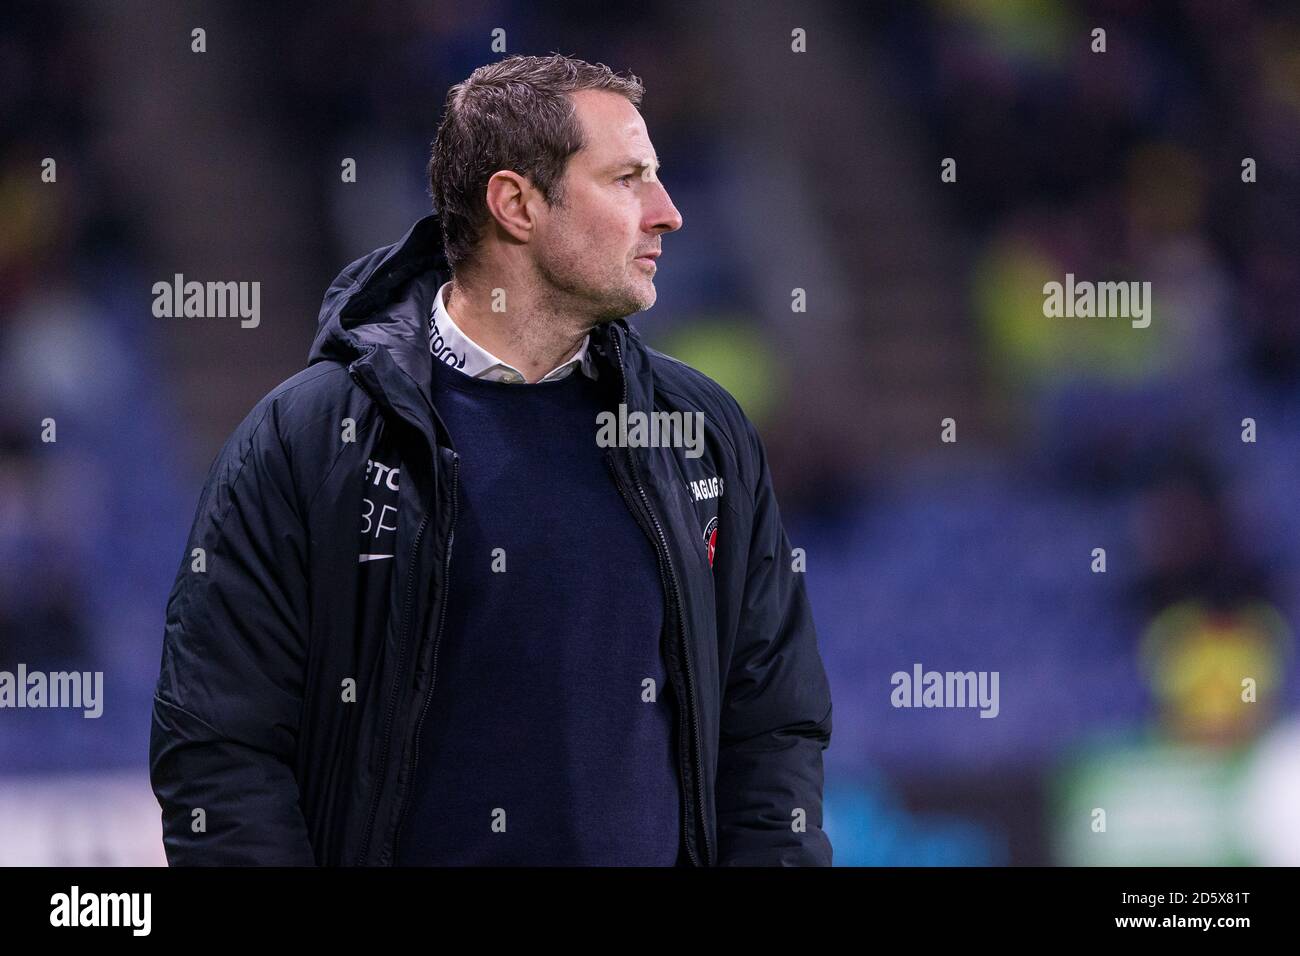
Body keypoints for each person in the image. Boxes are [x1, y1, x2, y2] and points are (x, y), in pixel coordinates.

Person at [149, 53, 833, 866]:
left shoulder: (701, 431)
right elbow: (221, 750)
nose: (668, 213)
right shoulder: (307, 441)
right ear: (515, 204)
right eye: (626, 179)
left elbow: (771, 726)